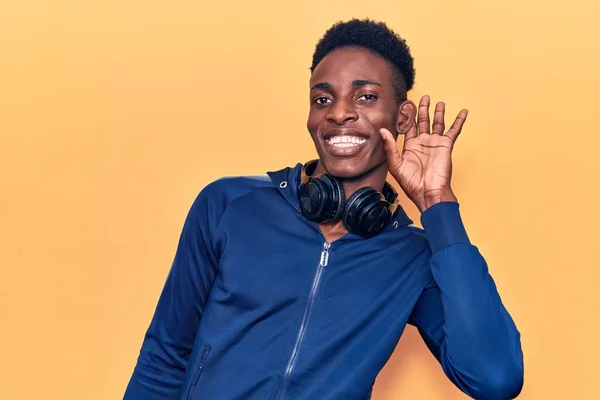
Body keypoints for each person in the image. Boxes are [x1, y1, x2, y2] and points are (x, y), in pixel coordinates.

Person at [124, 18, 524, 400]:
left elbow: (495, 377)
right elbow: (166, 353)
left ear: (402, 117)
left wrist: (438, 205)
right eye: (323, 99)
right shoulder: (229, 204)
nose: (337, 112)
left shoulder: (413, 256)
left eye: (366, 96)